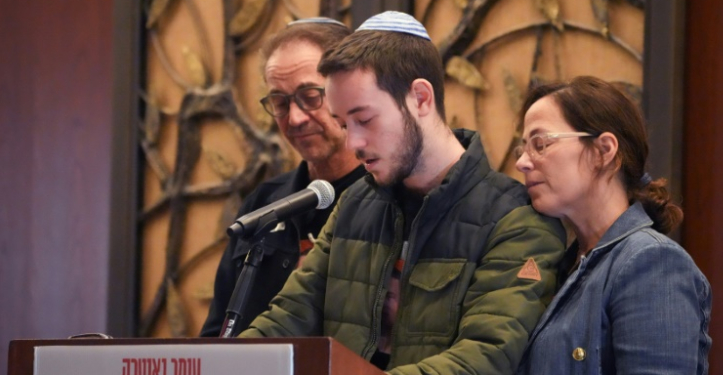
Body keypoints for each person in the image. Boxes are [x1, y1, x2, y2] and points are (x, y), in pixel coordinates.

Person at [238, 11, 567, 375]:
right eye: (344, 124)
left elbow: (482, 359)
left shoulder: (516, 221)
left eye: (364, 120)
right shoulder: (354, 205)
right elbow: (287, 319)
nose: (354, 142)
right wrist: (229, 363)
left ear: (421, 98)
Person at [513, 76, 712, 374]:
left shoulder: (653, 262)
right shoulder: (560, 265)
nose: (523, 163)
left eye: (540, 144)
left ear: (604, 150)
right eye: (523, 149)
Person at [200, 18, 366, 337]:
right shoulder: (263, 206)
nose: (295, 118)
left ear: (348, 91)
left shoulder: (390, 197)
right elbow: (216, 335)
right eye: (280, 102)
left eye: (311, 96)